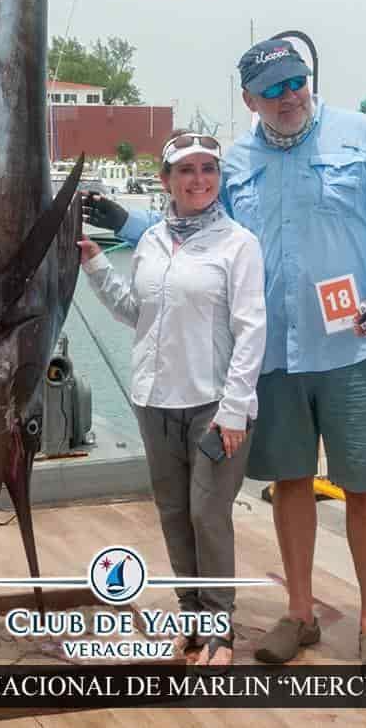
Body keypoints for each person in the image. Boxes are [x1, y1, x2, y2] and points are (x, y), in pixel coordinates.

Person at [86, 39, 366, 666]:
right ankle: (299, 614)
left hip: (354, 349)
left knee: (363, 486)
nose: (289, 95)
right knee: (291, 483)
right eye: (272, 89)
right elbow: (193, 222)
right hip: (274, 356)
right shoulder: (235, 160)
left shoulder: (364, 139)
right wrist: (126, 225)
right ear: (250, 99)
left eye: (296, 81)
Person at [78, 131, 266, 667]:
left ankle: (220, 629)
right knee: (173, 512)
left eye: (208, 169)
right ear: (166, 181)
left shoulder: (238, 244)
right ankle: (189, 616)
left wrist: (235, 408)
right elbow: (135, 313)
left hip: (214, 405)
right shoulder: (153, 241)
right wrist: (94, 263)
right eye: (186, 170)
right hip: (155, 400)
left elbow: (252, 331)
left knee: (209, 514)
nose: (199, 180)